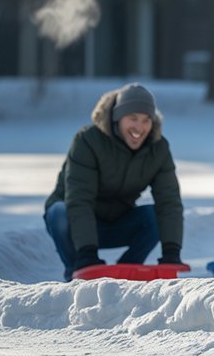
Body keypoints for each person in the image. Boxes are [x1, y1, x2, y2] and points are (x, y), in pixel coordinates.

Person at [44, 83, 184, 281]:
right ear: (118, 118)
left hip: (118, 221)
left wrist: (172, 251)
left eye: (146, 120)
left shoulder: (158, 148)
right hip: (75, 222)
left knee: (154, 216)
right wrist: (88, 254)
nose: (139, 127)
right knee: (59, 212)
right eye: (132, 118)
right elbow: (79, 198)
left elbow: (169, 201)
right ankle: (76, 272)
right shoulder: (88, 141)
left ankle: (128, 271)